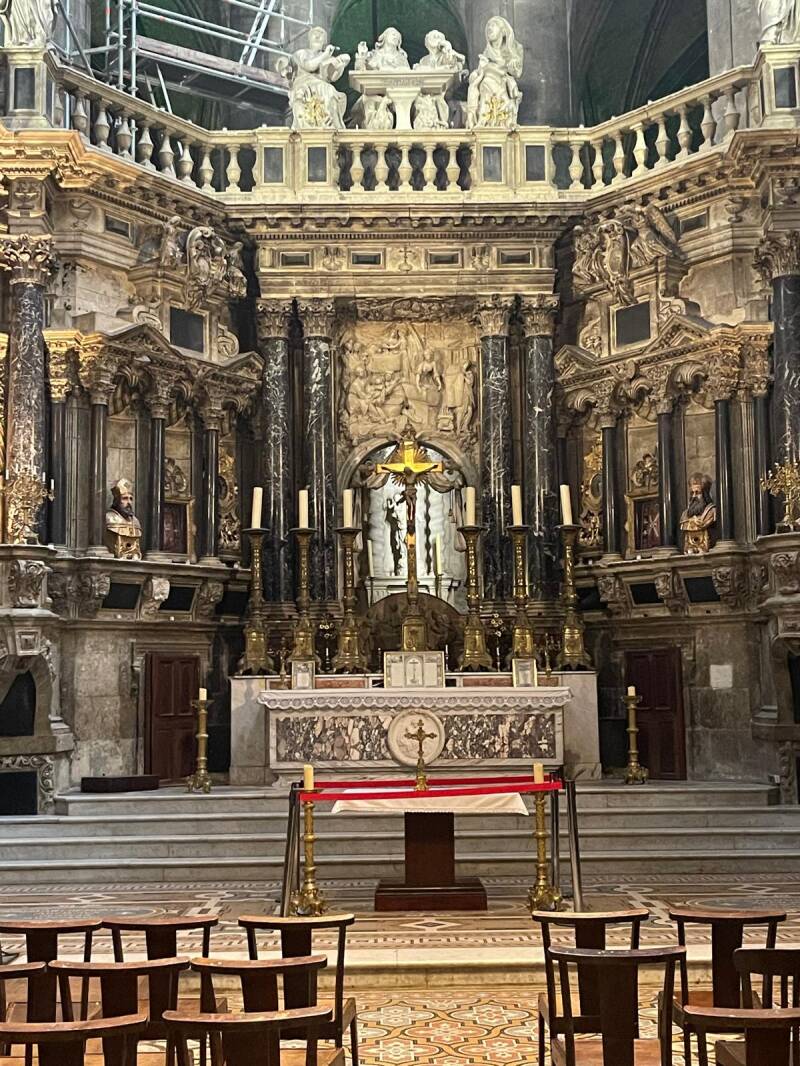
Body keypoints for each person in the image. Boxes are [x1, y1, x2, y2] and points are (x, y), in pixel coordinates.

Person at [278, 26, 350, 130]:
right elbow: (309, 66)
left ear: (324, 42)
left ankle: (331, 125)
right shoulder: (301, 53)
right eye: (315, 34)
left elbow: (332, 77)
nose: (317, 36)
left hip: (322, 85)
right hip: (304, 83)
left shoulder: (327, 57)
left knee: (331, 91)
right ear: (309, 39)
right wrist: (325, 55)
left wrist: (340, 65)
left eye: (321, 36)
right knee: (318, 89)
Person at [466, 16, 523, 129]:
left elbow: (517, 73)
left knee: (487, 81)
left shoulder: (514, 51)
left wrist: (510, 66)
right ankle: (484, 121)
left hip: (504, 84)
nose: (489, 29)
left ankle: (497, 120)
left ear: (503, 31)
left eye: (493, 25)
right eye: (488, 26)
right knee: (485, 82)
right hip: (487, 84)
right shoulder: (487, 52)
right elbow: (479, 72)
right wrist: (477, 73)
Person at [680, 472, 717, 554]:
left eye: (697, 493)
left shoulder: (711, 512)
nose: (693, 496)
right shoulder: (685, 514)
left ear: (705, 494)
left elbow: (705, 523)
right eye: (692, 493)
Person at [105, 479, 143, 560]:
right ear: (117, 500)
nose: (129, 502)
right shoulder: (110, 518)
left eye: (131, 498)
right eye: (125, 498)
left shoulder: (135, 521)